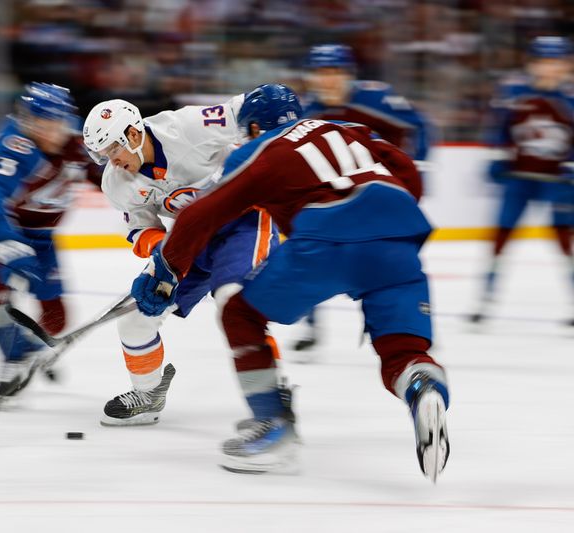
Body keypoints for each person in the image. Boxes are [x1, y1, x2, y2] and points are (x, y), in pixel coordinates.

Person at [131, 84, 450, 481]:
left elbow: (202, 214)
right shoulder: (348, 127)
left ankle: (273, 425)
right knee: (402, 348)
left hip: (326, 236)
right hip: (398, 236)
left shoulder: (258, 150)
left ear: (250, 129)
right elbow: (406, 172)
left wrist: (167, 269)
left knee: (240, 314)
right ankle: (422, 387)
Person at [82, 94, 282, 426]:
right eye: (102, 155)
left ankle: (273, 402)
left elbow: (246, 109)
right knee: (134, 319)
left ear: (133, 135)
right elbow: (141, 226)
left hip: (243, 222)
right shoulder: (116, 183)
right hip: (191, 239)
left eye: (112, 150)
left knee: (236, 307)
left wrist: (276, 107)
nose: (110, 162)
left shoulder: (188, 126)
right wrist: (163, 254)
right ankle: (148, 395)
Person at [0, 82, 95, 399]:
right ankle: (12, 356)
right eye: (39, 123)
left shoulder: (77, 146)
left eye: (54, 123)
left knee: (56, 315)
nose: (47, 130)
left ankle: (30, 347)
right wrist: (7, 244)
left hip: (40, 234)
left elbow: (111, 177)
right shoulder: (15, 145)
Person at [292, 43, 433, 351]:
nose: (327, 80)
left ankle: (408, 327)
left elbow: (420, 125)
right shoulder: (306, 111)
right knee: (311, 249)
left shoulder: (375, 97)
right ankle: (311, 326)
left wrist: (416, 167)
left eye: (334, 72)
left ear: (350, 75)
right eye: (320, 73)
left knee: (388, 262)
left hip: (382, 196)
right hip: (340, 197)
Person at [470, 36, 574, 324]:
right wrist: (496, 159)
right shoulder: (514, 93)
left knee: (565, 242)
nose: (549, 69)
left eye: (556, 62)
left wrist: (570, 167)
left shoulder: (570, 98)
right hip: (520, 179)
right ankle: (485, 298)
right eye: (544, 62)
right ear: (532, 64)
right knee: (501, 237)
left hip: (557, 182)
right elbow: (499, 130)